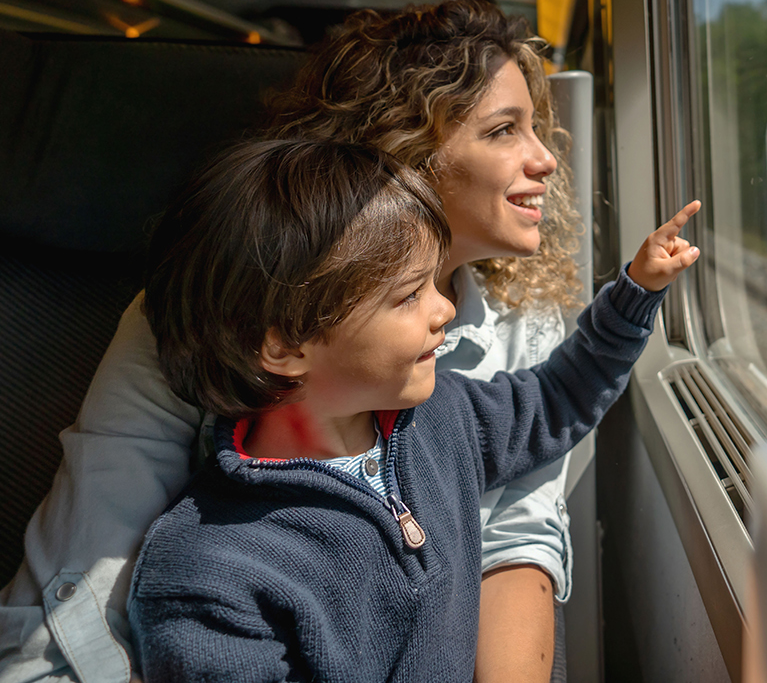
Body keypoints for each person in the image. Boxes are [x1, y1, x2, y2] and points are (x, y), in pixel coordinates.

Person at [0, 0, 589, 683]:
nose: (546, 157)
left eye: (536, 127)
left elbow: (516, 538)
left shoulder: (529, 327)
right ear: (408, 149)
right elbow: (86, 575)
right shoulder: (216, 312)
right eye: (503, 130)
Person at [128, 138, 700, 681]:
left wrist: (633, 297)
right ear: (284, 346)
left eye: (435, 282)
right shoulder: (208, 576)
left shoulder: (443, 422)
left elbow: (556, 399)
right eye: (408, 295)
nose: (445, 309)